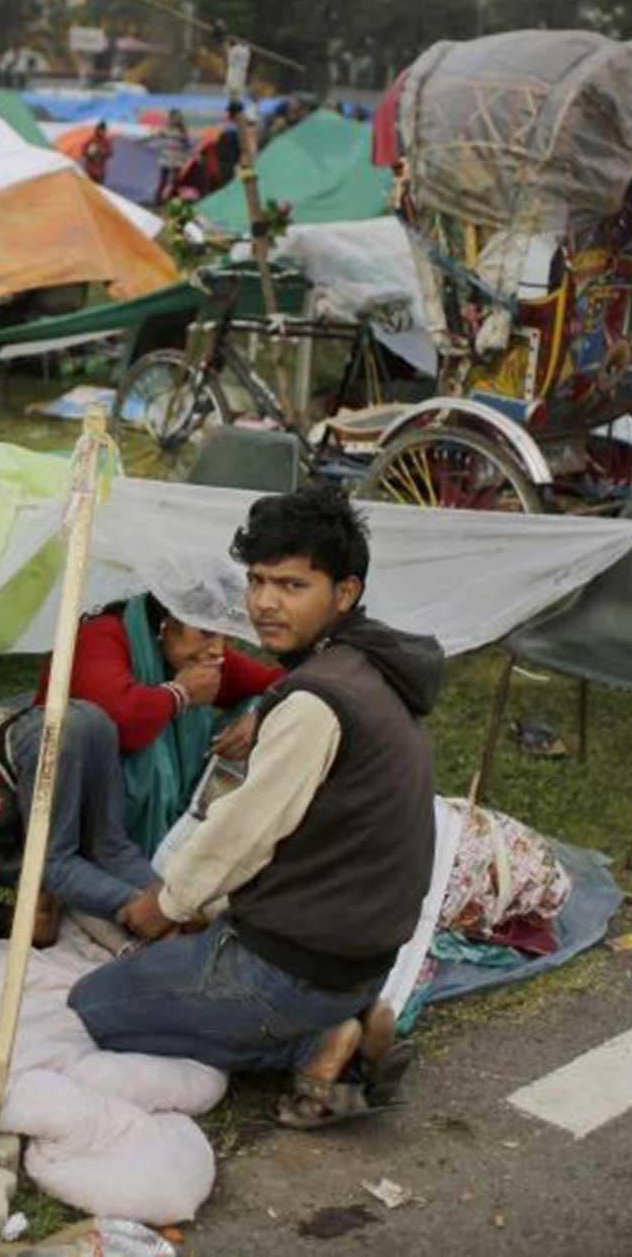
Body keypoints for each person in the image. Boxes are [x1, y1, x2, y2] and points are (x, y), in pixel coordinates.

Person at [67, 483, 443, 1127]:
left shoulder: (317, 702)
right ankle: (335, 1031)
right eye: (258, 581)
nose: (265, 603)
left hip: (292, 969)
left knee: (93, 1006)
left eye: (292, 586)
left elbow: (244, 831)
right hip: (361, 961)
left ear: (344, 593)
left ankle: (315, 1043)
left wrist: (166, 903)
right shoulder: (368, 669)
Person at [0, 700, 158, 959]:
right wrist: (170, 904)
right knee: (111, 848)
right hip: (94, 722)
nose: (48, 901)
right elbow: (108, 862)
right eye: (51, 911)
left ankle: (165, 907)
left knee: (52, 864)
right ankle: (179, 904)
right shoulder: (74, 870)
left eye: (40, 910)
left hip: (42, 735)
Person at [52, 595, 282, 854]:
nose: (218, 651)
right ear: (167, 622)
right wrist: (179, 692)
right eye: (206, 632)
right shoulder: (101, 637)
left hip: (139, 831)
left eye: (225, 636)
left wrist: (262, 714)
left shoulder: (195, 651)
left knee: (267, 703)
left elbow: (284, 683)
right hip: (75, 817)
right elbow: (122, 722)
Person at [82, 120, 113, 186]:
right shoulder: (91, 140)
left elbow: (110, 152)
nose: (102, 132)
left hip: (101, 171)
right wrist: (90, 153)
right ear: (97, 130)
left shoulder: (106, 141)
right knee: (90, 187)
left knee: (99, 188)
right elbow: (83, 151)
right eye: (101, 130)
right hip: (90, 170)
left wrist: (102, 152)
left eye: (104, 130)